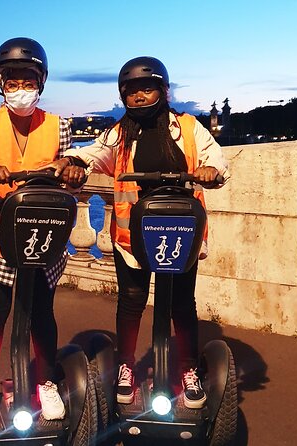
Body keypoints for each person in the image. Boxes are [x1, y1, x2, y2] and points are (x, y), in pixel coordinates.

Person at [48, 56, 230, 409]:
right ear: (123, 97)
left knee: (182, 303)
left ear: (163, 90)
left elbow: (217, 158)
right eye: (131, 92)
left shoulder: (188, 128)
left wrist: (209, 169)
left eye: (147, 89)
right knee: (131, 303)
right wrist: (70, 164)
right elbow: (92, 154)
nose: (139, 97)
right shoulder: (118, 134)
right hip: (131, 238)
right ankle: (126, 367)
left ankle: (188, 369)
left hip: (180, 233)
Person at [0, 37, 86, 424]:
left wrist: (74, 173)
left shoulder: (59, 125)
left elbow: (67, 181)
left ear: (41, 82)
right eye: (11, 81)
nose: (19, 89)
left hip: (42, 236)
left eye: (27, 80)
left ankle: (45, 381)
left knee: (41, 313)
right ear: (0, 83)